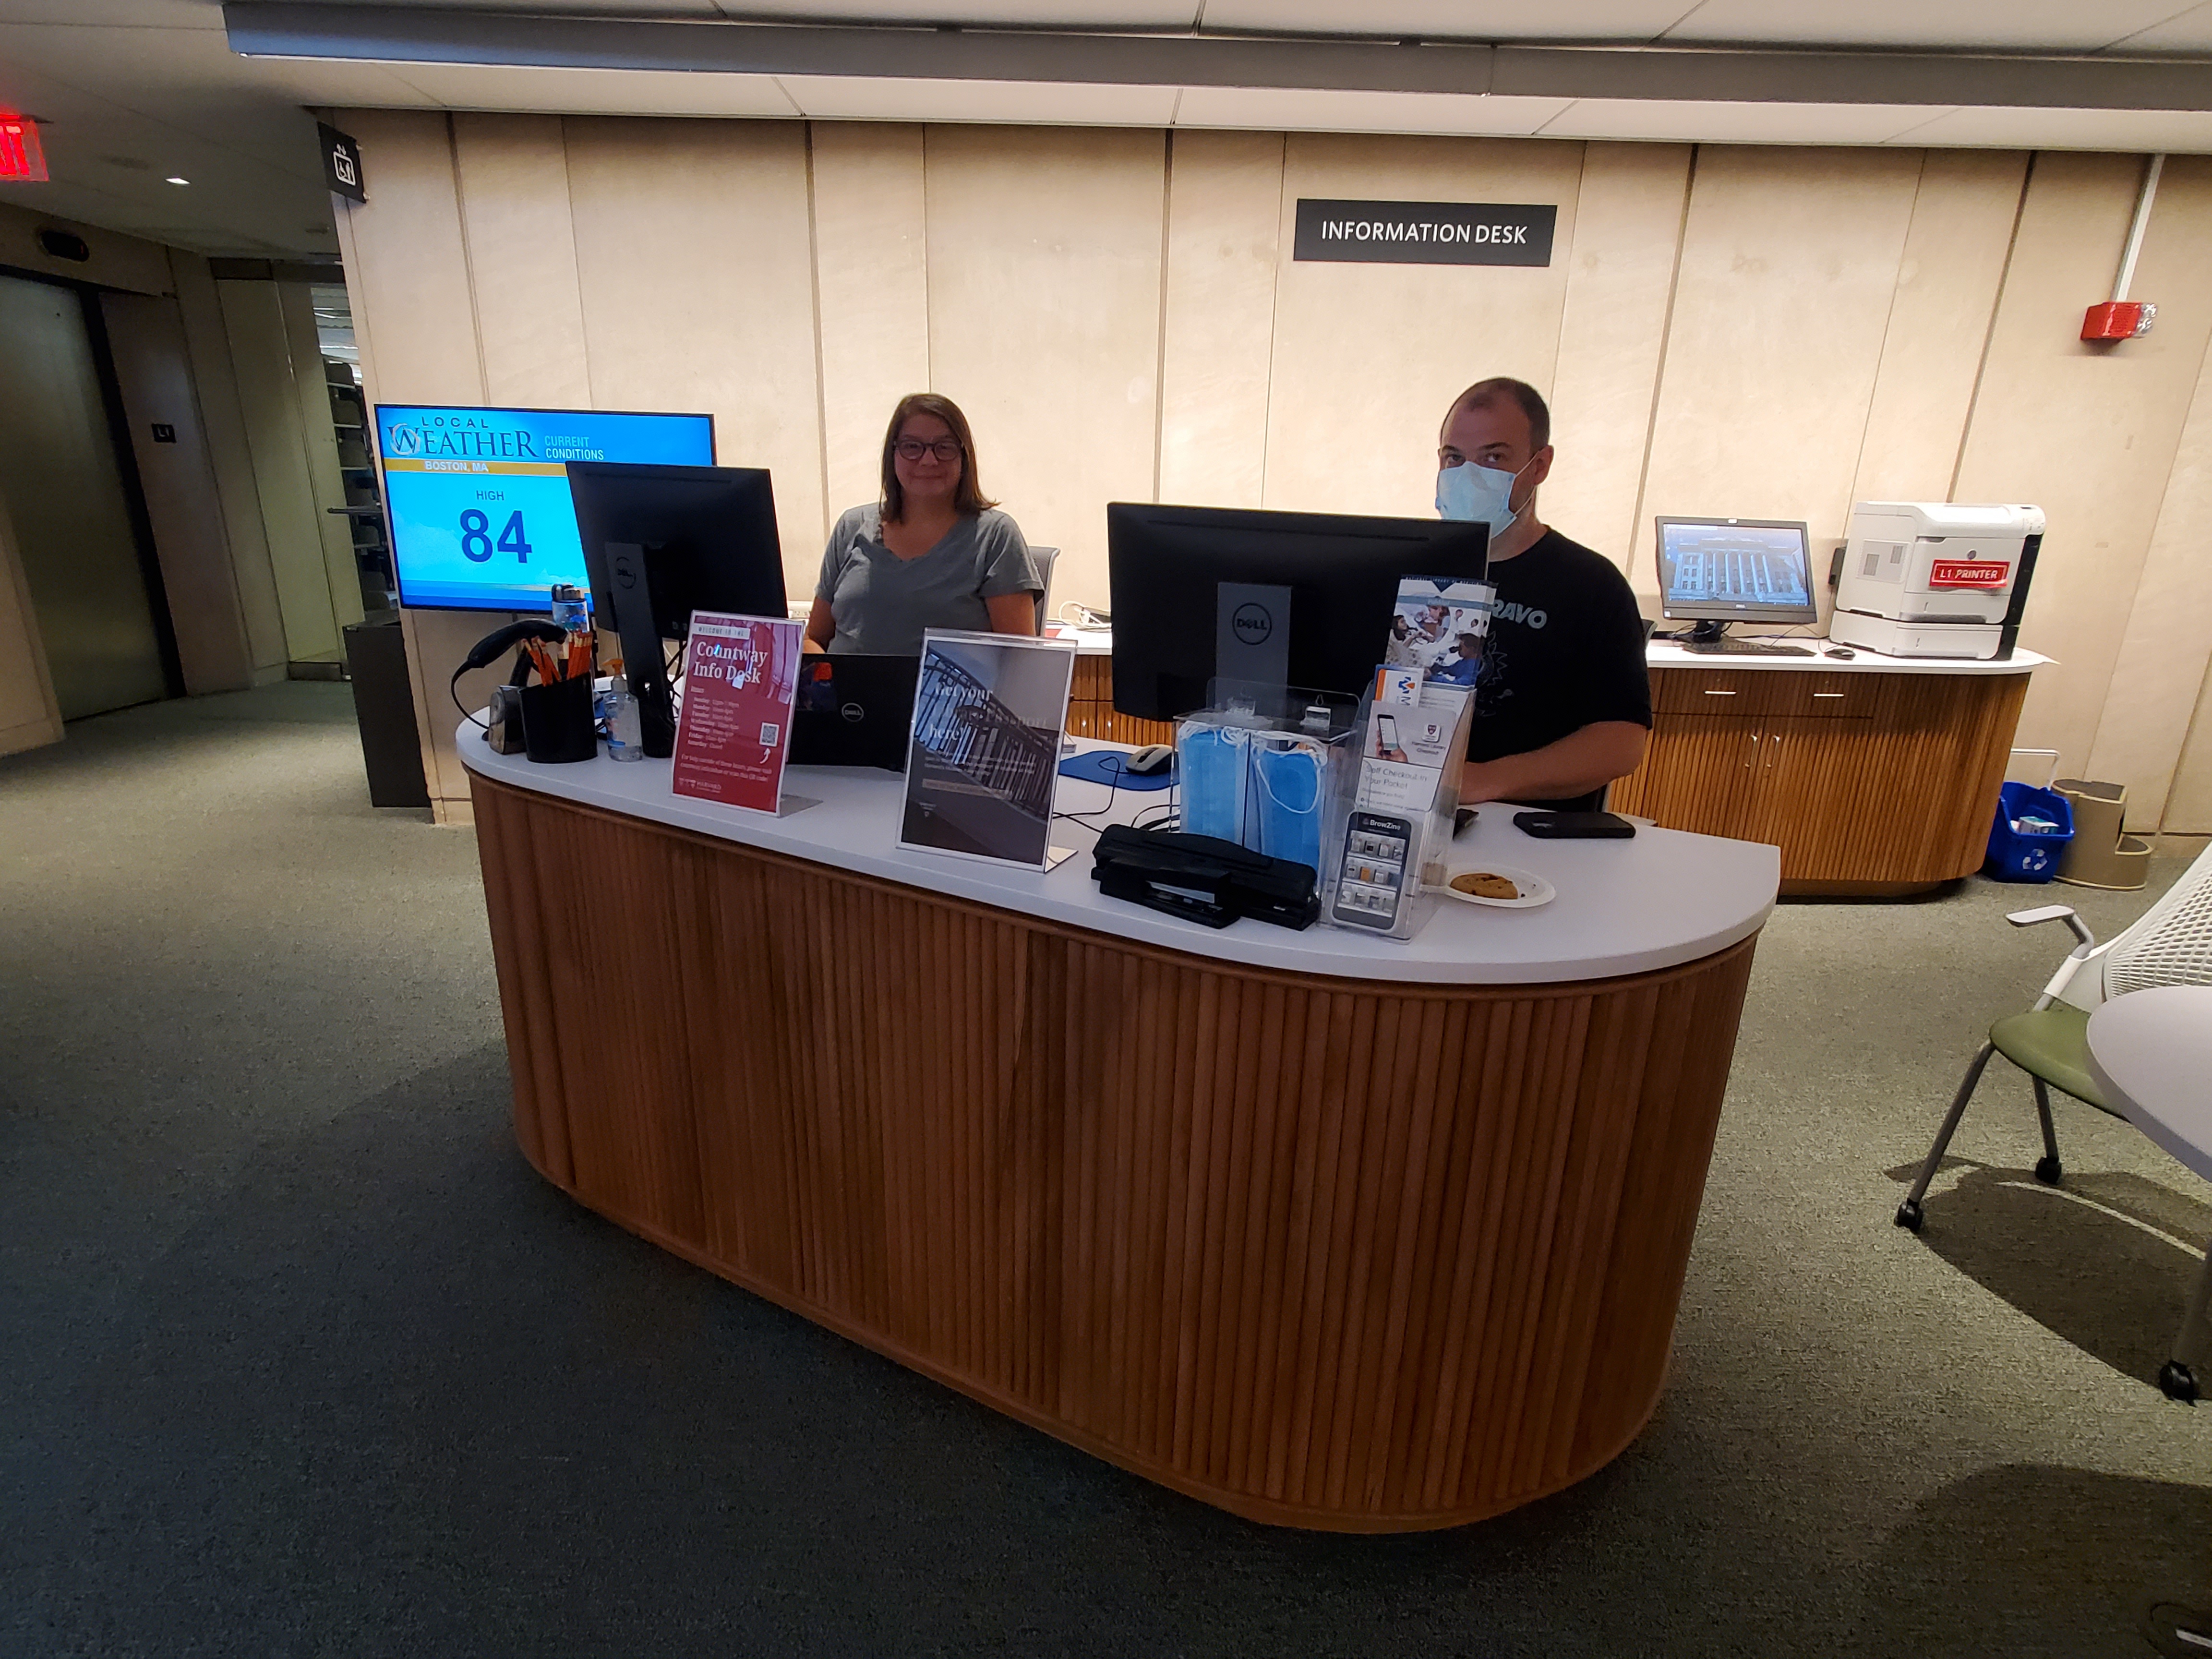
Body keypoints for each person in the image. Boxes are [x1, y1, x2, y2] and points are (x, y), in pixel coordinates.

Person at [1434, 377, 1651, 812]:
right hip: (1407, 816)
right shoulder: (1409, 568)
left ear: (1539, 466)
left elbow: (1621, 743)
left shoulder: (1591, 585)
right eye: (1454, 458)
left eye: (1493, 457)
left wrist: (1483, 780)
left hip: (1531, 832)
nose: (1469, 477)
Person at [805, 393, 1041, 656]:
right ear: (892, 455)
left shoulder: (996, 535)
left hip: (950, 697)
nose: (929, 460)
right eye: (912, 447)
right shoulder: (851, 526)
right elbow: (814, 639)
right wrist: (823, 686)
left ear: (964, 457)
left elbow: (1020, 660)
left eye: (945, 447)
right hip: (847, 697)